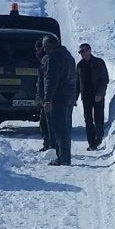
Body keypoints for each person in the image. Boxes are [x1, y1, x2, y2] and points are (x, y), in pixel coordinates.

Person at [41, 34, 77, 166]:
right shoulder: (69, 56)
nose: (44, 49)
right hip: (69, 97)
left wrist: (47, 99)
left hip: (59, 97)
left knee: (59, 128)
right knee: (66, 128)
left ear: (49, 45)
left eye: (45, 46)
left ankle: (63, 158)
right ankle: (64, 156)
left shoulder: (54, 58)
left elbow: (51, 80)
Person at [76, 42, 109, 150]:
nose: (82, 54)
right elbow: (77, 82)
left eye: (83, 51)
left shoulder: (99, 63)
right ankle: (92, 143)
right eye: (80, 52)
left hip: (97, 95)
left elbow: (105, 79)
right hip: (86, 96)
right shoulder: (80, 65)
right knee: (88, 119)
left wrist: (100, 93)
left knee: (98, 118)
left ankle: (99, 138)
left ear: (89, 51)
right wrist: (74, 97)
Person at [34, 39, 49, 150]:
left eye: (38, 49)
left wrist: (46, 98)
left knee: (47, 122)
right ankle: (47, 143)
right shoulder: (43, 60)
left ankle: (49, 145)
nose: (37, 52)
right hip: (44, 96)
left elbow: (48, 81)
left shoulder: (47, 60)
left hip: (48, 97)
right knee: (44, 122)